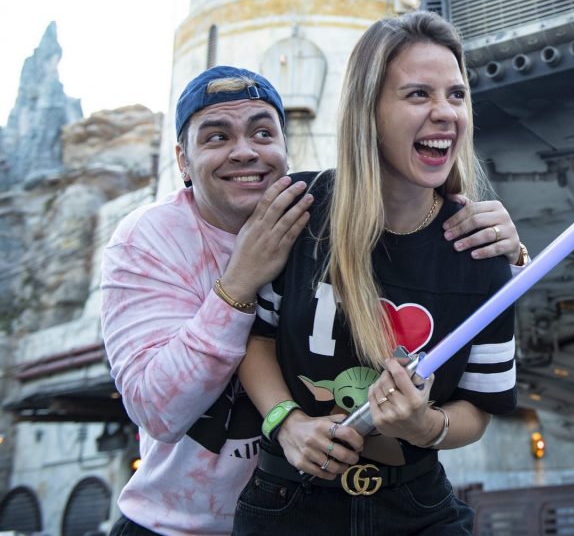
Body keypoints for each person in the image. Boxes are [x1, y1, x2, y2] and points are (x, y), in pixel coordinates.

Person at [101, 64, 523, 536]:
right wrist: (239, 282)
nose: (244, 152)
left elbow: (417, 247)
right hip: (180, 525)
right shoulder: (148, 240)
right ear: (182, 159)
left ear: (285, 148)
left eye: (263, 132)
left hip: (313, 513)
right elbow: (157, 410)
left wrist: (505, 250)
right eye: (216, 137)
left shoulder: (322, 218)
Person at [233, 11, 526, 535]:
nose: (446, 114)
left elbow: (478, 410)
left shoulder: (483, 252)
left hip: (417, 507)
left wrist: (426, 425)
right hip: (289, 504)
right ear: (369, 111)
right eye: (418, 95)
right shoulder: (298, 209)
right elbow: (255, 340)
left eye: (456, 95)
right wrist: (287, 423)